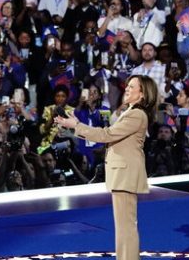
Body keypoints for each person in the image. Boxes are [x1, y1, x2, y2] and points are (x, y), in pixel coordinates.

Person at [55, 75, 157, 260]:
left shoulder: (136, 114)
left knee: (126, 228)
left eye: (132, 86)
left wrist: (76, 125)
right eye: (127, 85)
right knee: (124, 227)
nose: (126, 88)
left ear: (142, 95)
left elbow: (107, 135)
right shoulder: (131, 112)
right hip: (122, 173)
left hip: (125, 174)